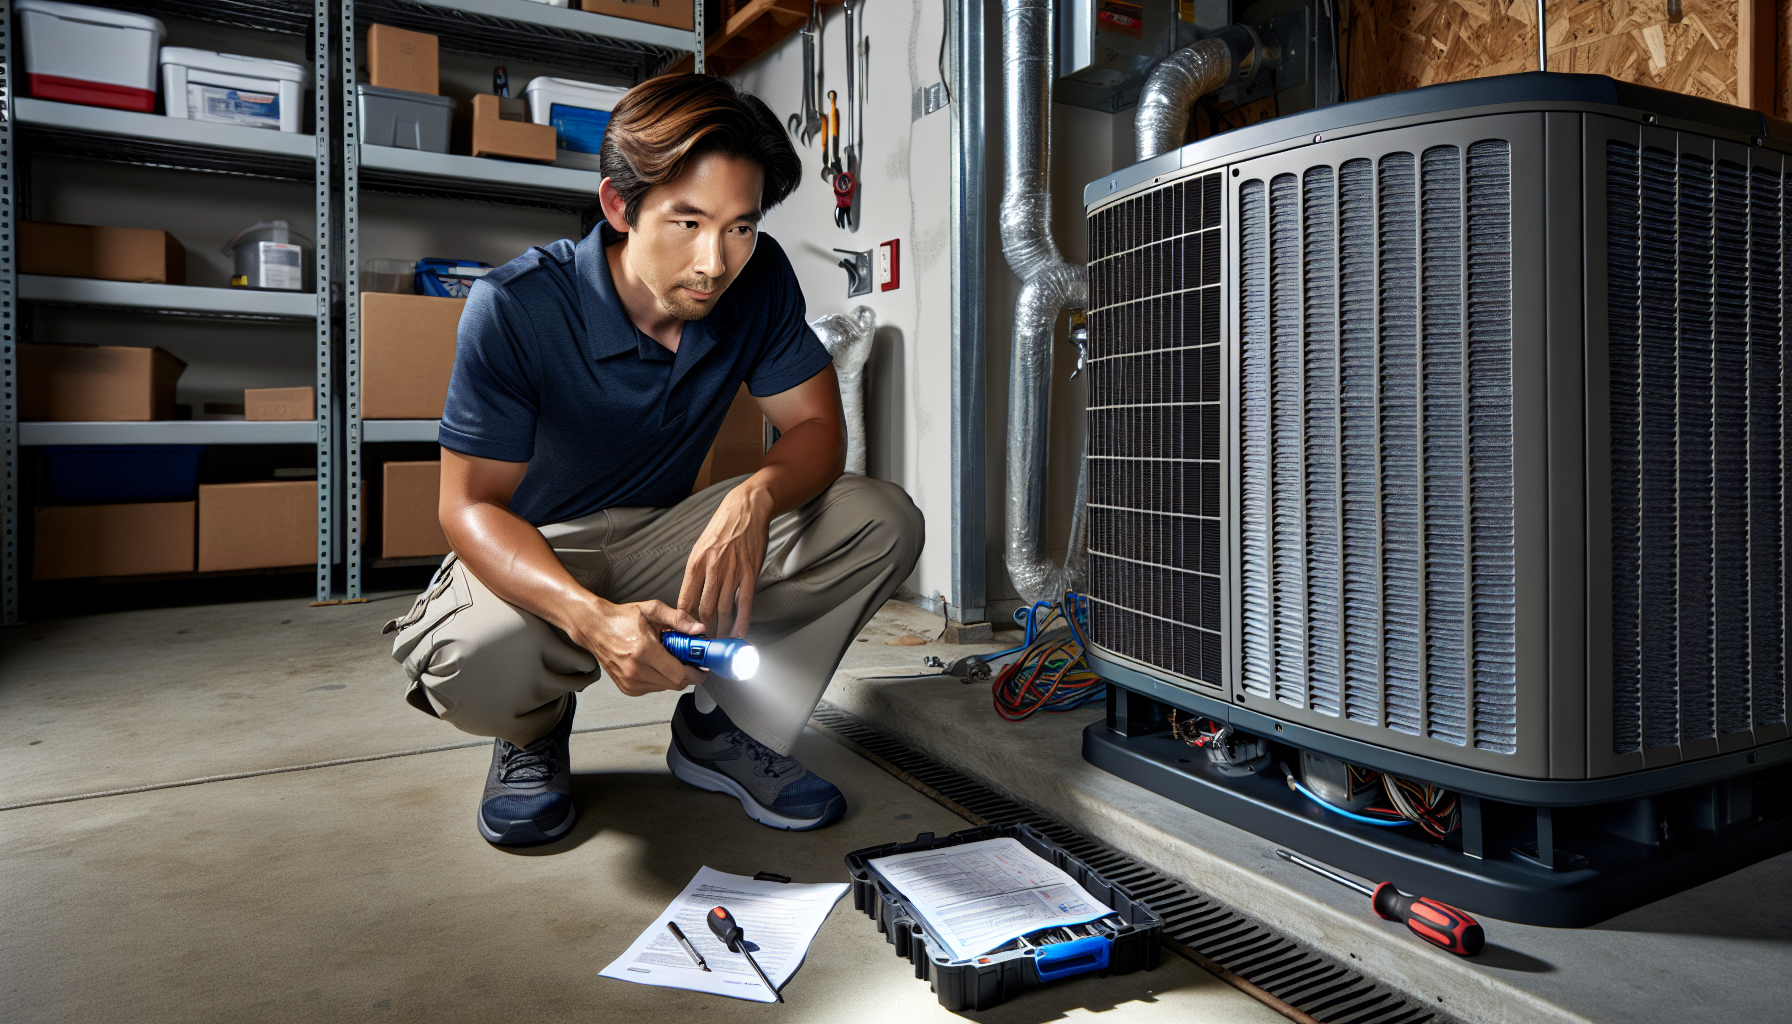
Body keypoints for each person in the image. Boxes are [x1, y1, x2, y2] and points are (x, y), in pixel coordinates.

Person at [384, 74, 923, 845]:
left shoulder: (759, 277)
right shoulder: (515, 306)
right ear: (619, 206)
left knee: (878, 519)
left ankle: (723, 728)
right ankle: (532, 732)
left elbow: (815, 429)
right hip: (540, 548)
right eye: (688, 221)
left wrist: (754, 500)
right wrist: (591, 619)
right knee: (472, 655)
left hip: (666, 533)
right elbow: (468, 506)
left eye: (740, 227)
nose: (714, 262)